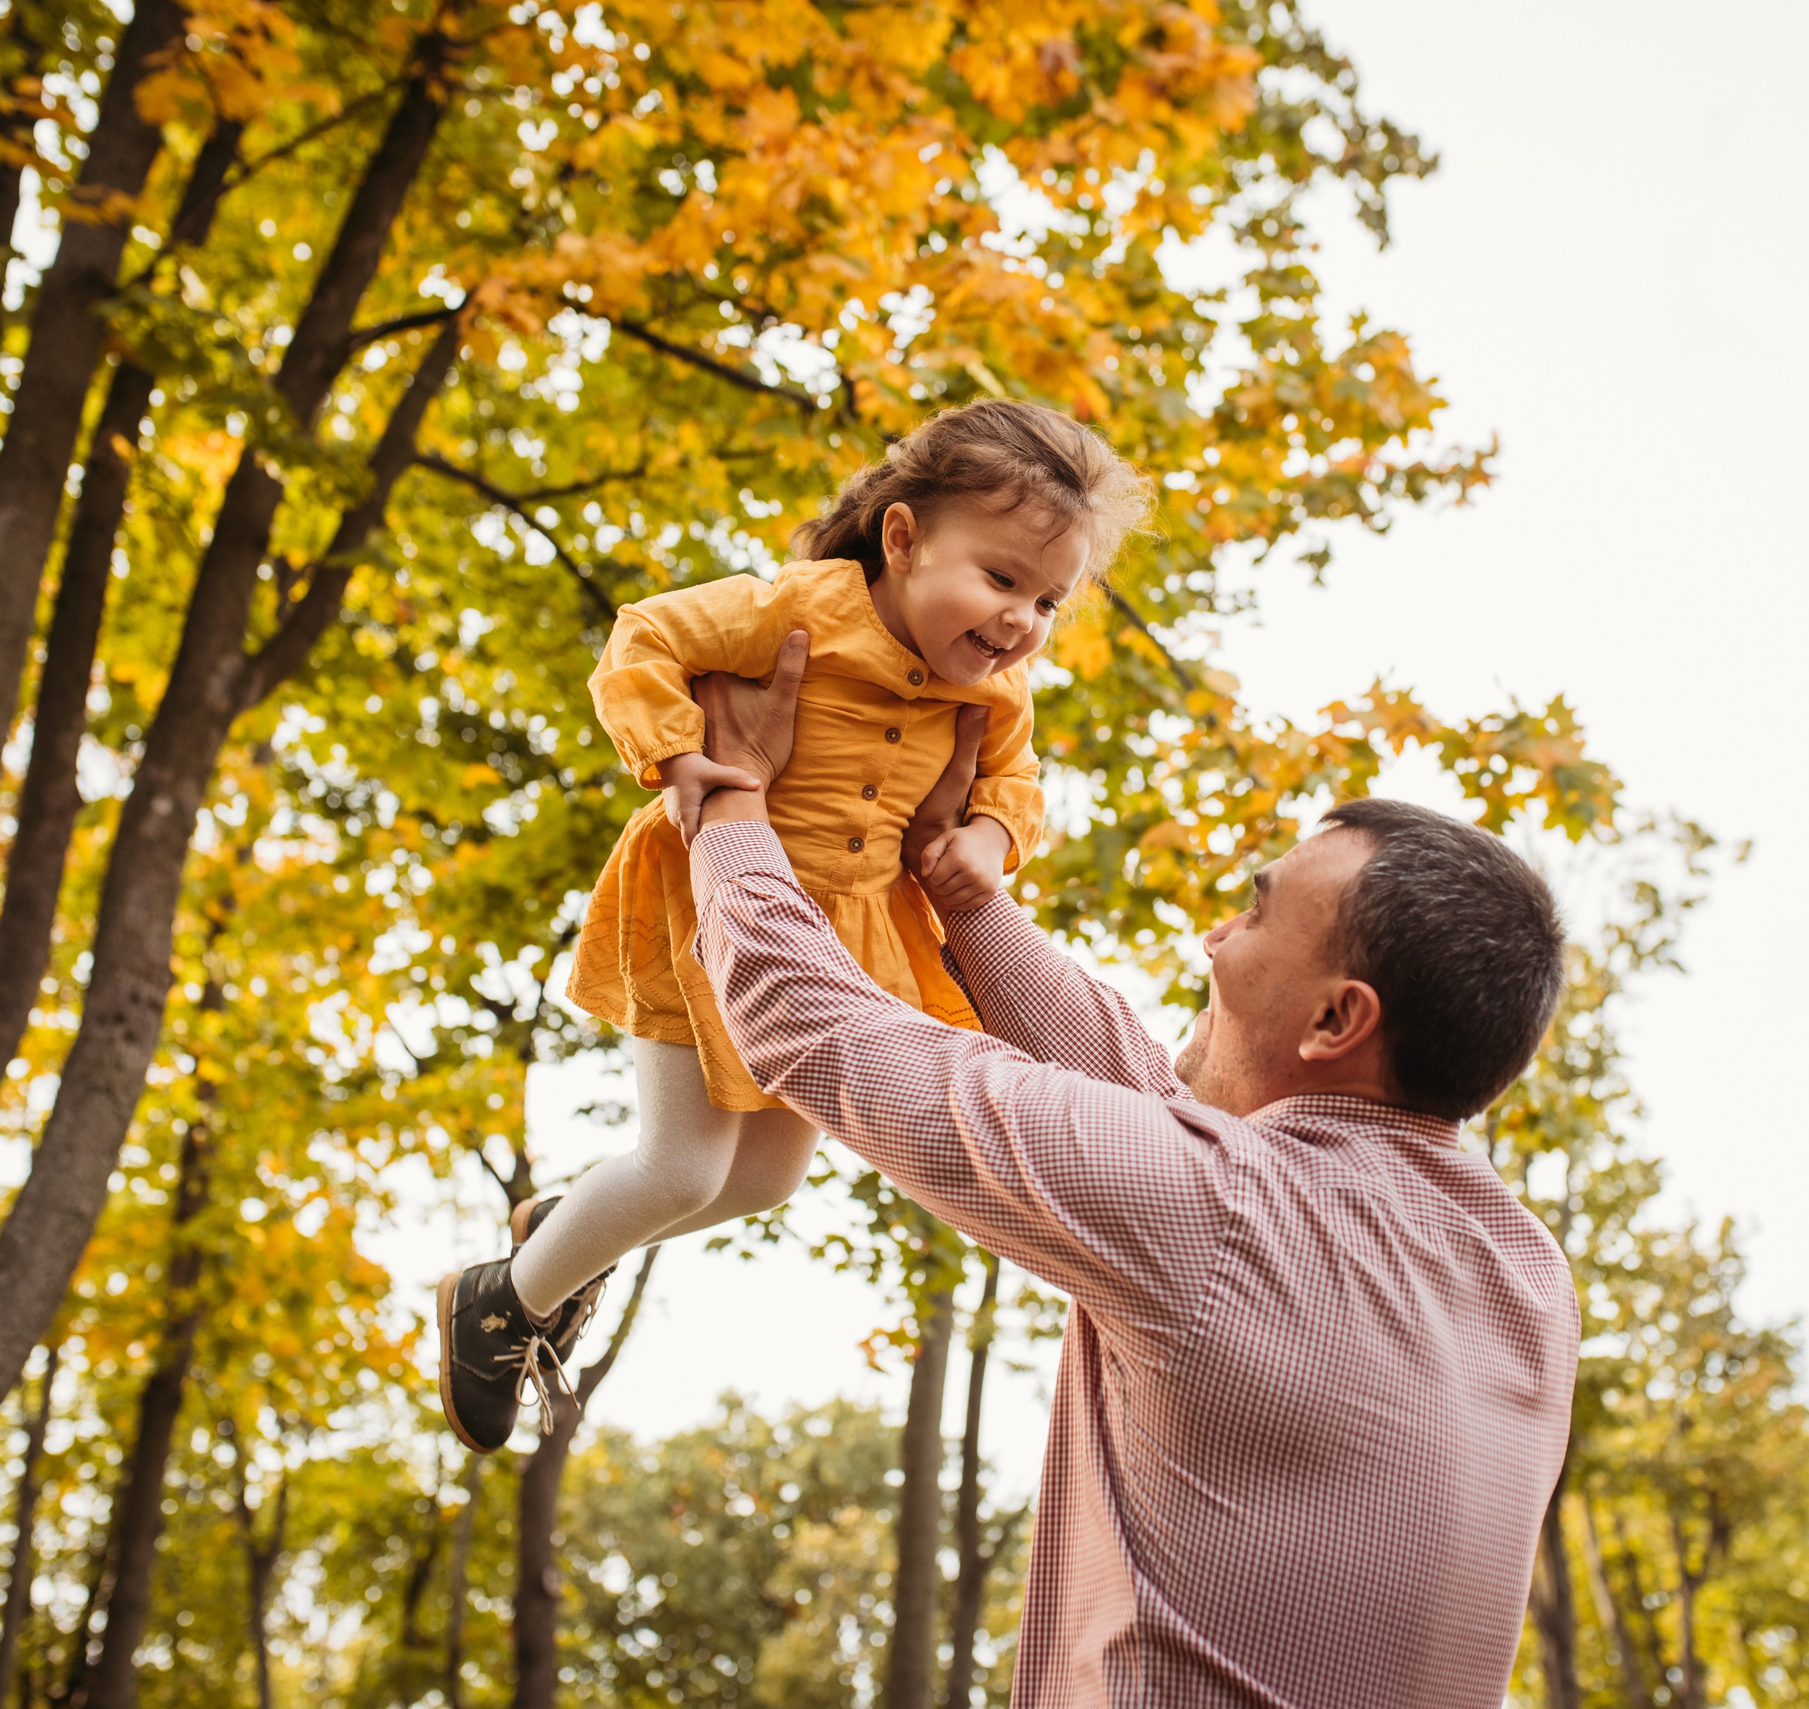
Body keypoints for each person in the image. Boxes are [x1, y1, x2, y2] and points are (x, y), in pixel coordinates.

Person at [589, 637, 1580, 1705]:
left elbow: (808, 1022)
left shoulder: (1216, 1210)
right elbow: (1163, 1123)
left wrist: (729, 797)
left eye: (1253, 910)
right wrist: (953, 886)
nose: (1213, 936)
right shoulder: (1526, 1275)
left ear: (1337, 1017)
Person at [435, 399, 1150, 1451]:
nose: (1019, 621)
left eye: (1048, 599)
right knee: (680, 1166)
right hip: (707, 903)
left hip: (838, 948)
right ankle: (495, 1303)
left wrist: (992, 843)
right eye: (1001, 578)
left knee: (764, 1179)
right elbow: (643, 641)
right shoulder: (796, 610)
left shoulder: (997, 694)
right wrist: (680, 758)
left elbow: (1018, 784)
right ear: (902, 540)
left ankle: (565, 1236)